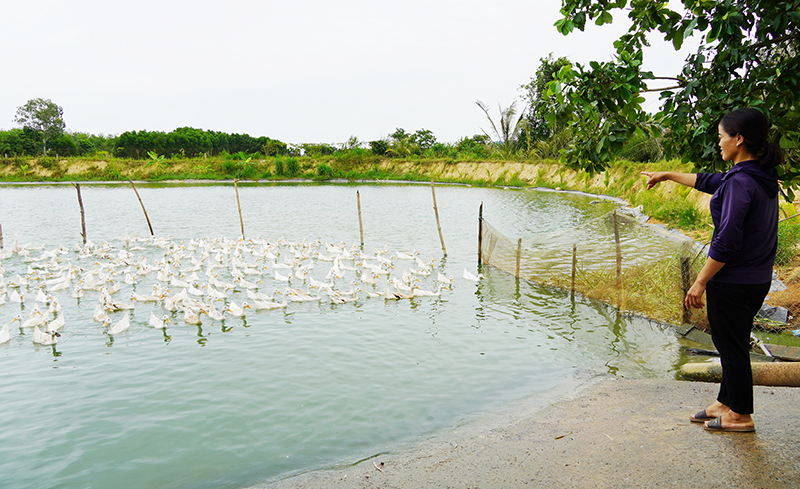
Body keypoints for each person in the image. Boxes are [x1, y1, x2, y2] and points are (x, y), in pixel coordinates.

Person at [642, 107, 782, 433]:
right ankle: (726, 402)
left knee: (731, 347)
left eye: (722, 137)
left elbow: (727, 240)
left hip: (733, 280)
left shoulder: (741, 182)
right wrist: (667, 175)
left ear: (739, 138)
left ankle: (741, 415)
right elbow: (709, 181)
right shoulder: (757, 175)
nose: (719, 143)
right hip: (757, 278)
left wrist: (700, 281)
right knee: (731, 342)